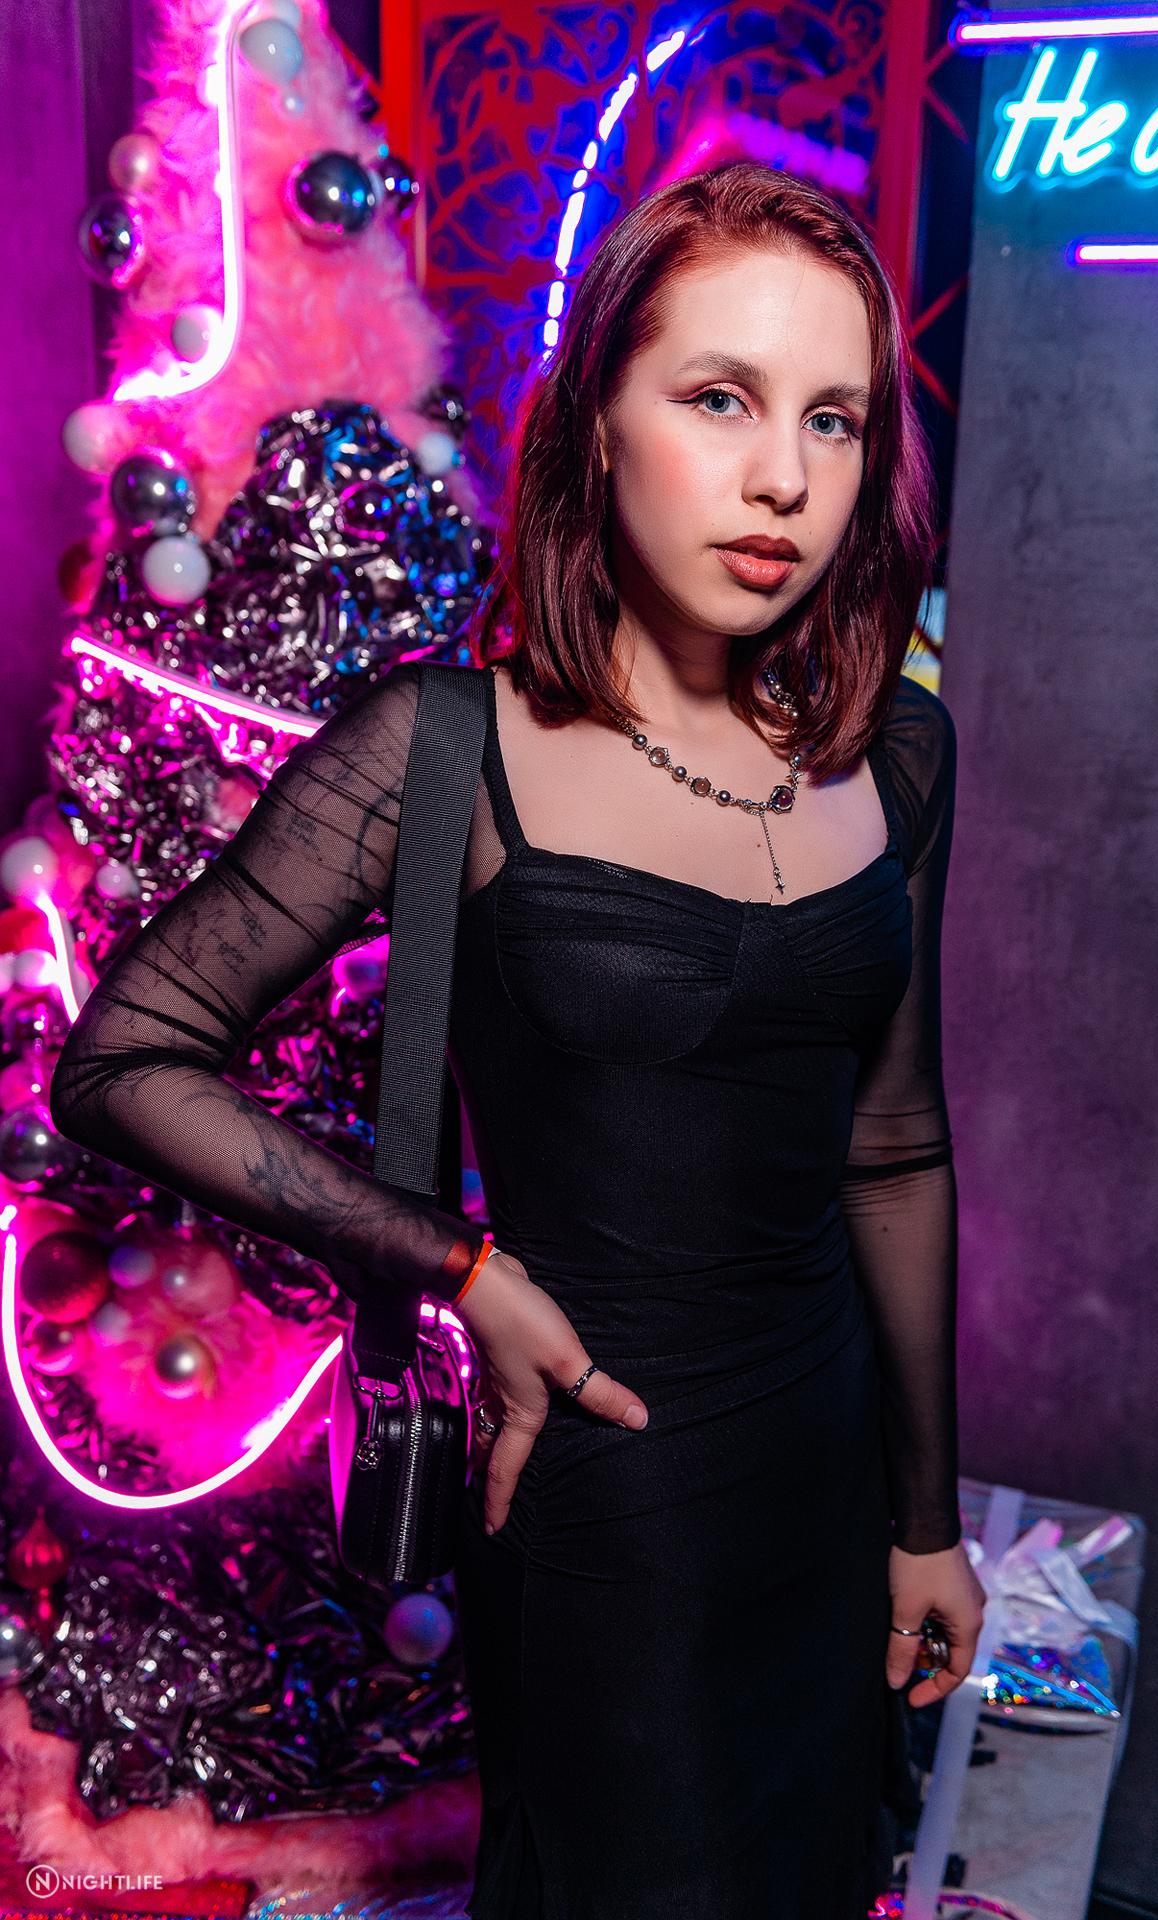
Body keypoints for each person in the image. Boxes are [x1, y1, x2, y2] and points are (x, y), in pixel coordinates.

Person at [49, 160, 986, 1918]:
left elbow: (894, 1143)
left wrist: (923, 1521)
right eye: (718, 398)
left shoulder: (901, 759)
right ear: (598, 424)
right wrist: (458, 1266)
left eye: (834, 418)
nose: (785, 478)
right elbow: (121, 1059)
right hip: (598, 1494)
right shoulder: (443, 752)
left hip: (824, 1466)